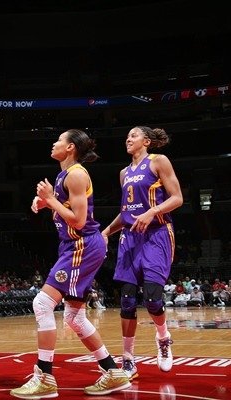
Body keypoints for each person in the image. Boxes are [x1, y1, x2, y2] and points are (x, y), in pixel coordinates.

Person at [10, 129, 130, 399]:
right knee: (74, 317)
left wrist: (51, 199)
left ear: (71, 148)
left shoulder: (76, 174)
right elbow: (66, 210)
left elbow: (78, 220)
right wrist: (46, 203)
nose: (54, 143)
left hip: (82, 245)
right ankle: (113, 372)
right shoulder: (65, 174)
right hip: (76, 246)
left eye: (59, 140)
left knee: (41, 303)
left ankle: (44, 377)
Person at [100, 126, 183, 380]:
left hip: (157, 234)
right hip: (130, 237)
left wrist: (151, 212)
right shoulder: (124, 173)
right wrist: (105, 233)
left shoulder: (159, 161)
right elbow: (126, 212)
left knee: (152, 299)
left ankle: (163, 337)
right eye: (127, 135)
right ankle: (128, 360)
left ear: (146, 141)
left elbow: (177, 198)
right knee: (126, 301)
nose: (128, 138)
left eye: (134, 135)